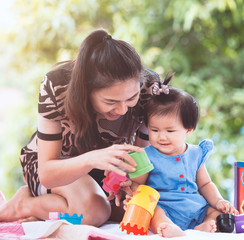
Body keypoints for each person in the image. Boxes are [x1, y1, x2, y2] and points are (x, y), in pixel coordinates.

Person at [0, 29, 161, 226]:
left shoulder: (150, 89)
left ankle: (50, 209)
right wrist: (92, 158)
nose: (122, 109)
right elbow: (48, 173)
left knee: (131, 211)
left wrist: (130, 182)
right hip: (52, 165)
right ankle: (24, 205)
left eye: (131, 98)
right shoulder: (57, 86)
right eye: (110, 101)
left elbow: (140, 156)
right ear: (87, 90)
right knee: (95, 211)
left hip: (105, 168)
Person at [129, 75, 239, 238]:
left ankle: (201, 227)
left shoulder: (196, 153)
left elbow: (205, 184)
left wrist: (219, 201)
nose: (162, 137)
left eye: (170, 131)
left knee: (215, 213)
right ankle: (166, 227)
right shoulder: (146, 156)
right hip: (164, 206)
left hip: (195, 207)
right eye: (155, 130)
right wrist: (132, 197)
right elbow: (137, 185)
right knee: (153, 211)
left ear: (188, 130)